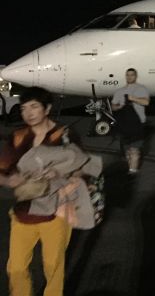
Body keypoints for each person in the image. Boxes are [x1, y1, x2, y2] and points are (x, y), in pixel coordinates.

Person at [0, 87, 83, 296]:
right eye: (24, 108)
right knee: (16, 268)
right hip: (23, 213)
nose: (28, 113)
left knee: (53, 268)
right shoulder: (18, 137)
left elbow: (80, 169)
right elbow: (2, 171)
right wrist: (10, 180)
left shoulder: (63, 136)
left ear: (47, 108)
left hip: (57, 213)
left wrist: (57, 173)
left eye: (34, 107)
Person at [111, 68, 150, 174]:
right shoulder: (120, 91)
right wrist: (119, 106)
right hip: (124, 124)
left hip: (138, 124)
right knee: (127, 152)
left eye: (132, 75)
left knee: (134, 151)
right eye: (128, 75)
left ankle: (132, 172)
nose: (130, 77)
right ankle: (130, 169)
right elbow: (113, 106)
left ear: (136, 76)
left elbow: (146, 102)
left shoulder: (141, 89)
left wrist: (133, 98)